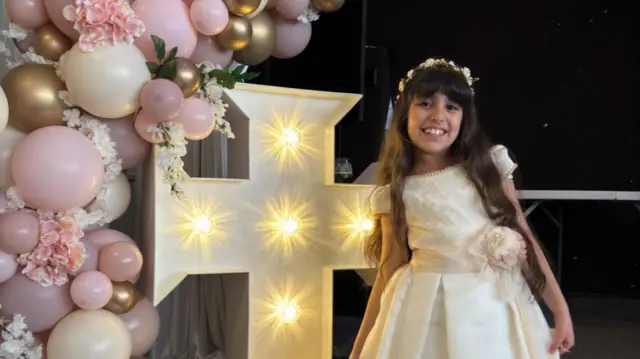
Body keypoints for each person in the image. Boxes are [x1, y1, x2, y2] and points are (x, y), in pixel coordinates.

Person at [349, 58, 574, 359]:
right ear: (405, 112)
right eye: (426, 103)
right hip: (427, 309)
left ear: (465, 117)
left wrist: (560, 310)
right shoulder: (396, 191)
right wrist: (361, 346)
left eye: (452, 107)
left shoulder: (489, 166)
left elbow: (525, 239)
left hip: (495, 310)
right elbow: (389, 268)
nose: (438, 116)